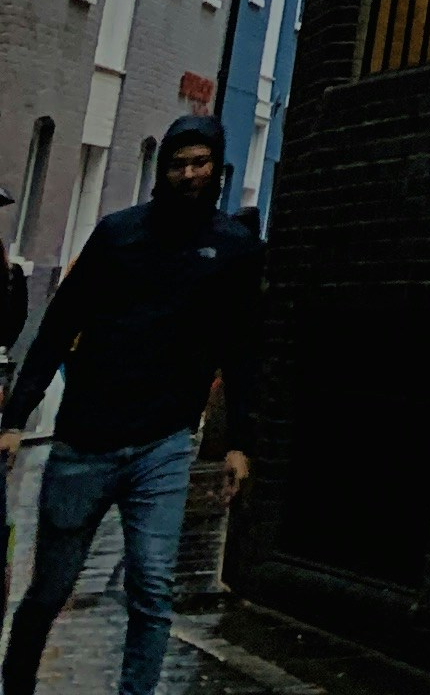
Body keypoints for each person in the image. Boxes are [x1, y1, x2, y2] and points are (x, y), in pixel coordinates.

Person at [0, 116, 261, 695]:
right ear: (163, 169)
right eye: (179, 163)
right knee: (49, 589)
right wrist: (16, 418)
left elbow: (242, 348)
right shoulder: (119, 235)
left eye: (201, 163)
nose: (190, 174)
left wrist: (239, 441)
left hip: (162, 445)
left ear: (217, 169)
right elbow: (58, 325)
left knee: (152, 587)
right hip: (84, 442)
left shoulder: (236, 250)